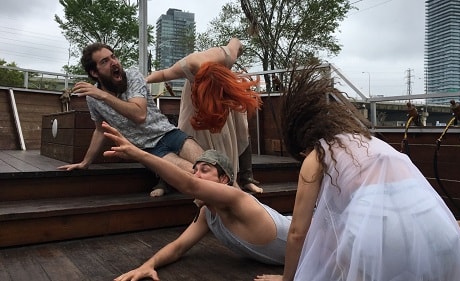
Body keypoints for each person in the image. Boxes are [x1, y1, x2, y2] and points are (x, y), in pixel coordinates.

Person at [256, 64, 460, 281]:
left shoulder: (316, 156)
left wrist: (287, 279)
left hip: (383, 234)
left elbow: (297, 233)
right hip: (439, 224)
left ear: (302, 145)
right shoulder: (367, 141)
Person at [100, 123, 291, 281]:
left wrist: (289, 277)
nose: (196, 175)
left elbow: (189, 185)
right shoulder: (208, 213)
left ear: (224, 179)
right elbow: (178, 247)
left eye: (205, 170)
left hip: (312, 239)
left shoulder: (237, 199)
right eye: (195, 170)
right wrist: (147, 266)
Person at [58, 43, 204, 197]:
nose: (114, 62)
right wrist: (85, 162)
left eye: (113, 57)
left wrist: (103, 95)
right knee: (196, 174)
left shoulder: (133, 76)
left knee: (212, 166)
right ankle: (166, 179)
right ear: (95, 73)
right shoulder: (93, 98)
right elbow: (100, 130)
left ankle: (165, 180)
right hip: (150, 150)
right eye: (104, 61)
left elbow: (139, 115)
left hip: (170, 133)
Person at [146, 37, 264, 195]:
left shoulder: (227, 56)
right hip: (196, 99)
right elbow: (162, 74)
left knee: (241, 129)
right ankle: (164, 182)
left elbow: (236, 41)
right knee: (183, 134)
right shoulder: (188, 64)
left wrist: (238, 48)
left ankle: (246, 177)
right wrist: (143, 80)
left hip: (225, 90)